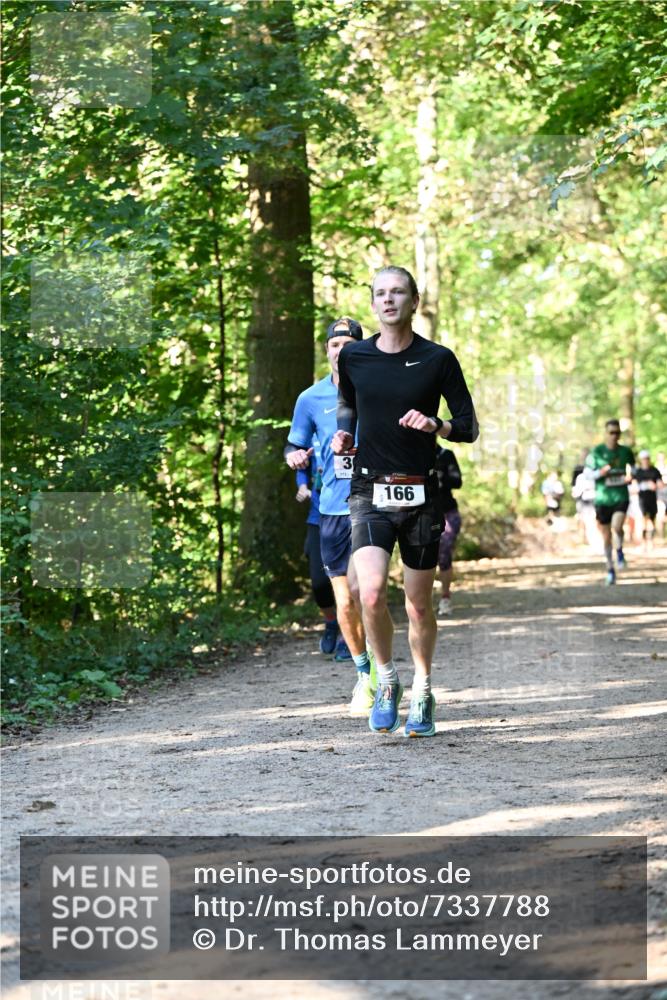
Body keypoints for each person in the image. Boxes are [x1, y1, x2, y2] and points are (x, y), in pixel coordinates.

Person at [333, 265, 478, 738]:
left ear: (414, 301)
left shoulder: (438, 359)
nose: (388, 300)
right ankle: (387, 681)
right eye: (380, 293)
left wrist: (437, 426)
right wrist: (342, 434)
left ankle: (424, 687)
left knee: (418, 606)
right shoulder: (354, 356)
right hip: (369, 489)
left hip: (419, 492)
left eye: (398, 292)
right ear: (373, 303)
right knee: (370, 593)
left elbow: (469, 426)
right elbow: (349, 406)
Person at [285, 317, 376, 715]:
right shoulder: (310, 398)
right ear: (327, 351)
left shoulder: (377, 388)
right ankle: (363, 672)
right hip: (331, 508)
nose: (341, 350)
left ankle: (378, 673)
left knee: (365, 593)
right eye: (334, 344)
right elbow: (294, 446)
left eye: (348, 344)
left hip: (372, 503)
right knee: (343, 599)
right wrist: (295, 458)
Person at [294, 441, 338, 653]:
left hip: (349, 514)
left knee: (349, 580)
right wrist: (302, 488)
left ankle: (352, 633)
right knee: (319, 583)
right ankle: (331, 622)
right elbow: (302, 469)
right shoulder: (310, 436)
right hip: (317, 518)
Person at [584, 419, 635, 585]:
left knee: (617, 526)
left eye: (617, 433)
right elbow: (587, 474)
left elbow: (633, 469)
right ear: (606, 433)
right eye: (611, 432)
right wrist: (600, 472)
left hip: (621, 496)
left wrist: (630, 476)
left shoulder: (626, 451)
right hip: (602, 499)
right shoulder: (597, 452)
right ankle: (610, 569)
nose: (615, 436)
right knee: (606, 537)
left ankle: (619, 551)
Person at [434, 446, 463, 617]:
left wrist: (440, 476)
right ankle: (421, 600)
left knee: (443, 552)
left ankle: (445, 597)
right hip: (422, 513)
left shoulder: (445, 455)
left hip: (447, 512)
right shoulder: (411, 452)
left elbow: (457, 481)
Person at [632, 449, 663, 552]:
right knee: (644, 521)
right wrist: (644, 485)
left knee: (652, 520)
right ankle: (645, 542)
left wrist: (656, 485)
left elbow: (660, 483)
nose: (645, 461)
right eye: (643, 459)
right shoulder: (638, 472)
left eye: (647, 459)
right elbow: (634, 486)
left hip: (653, 499)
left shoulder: (654, 471)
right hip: (642, 500)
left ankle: (651, 541)